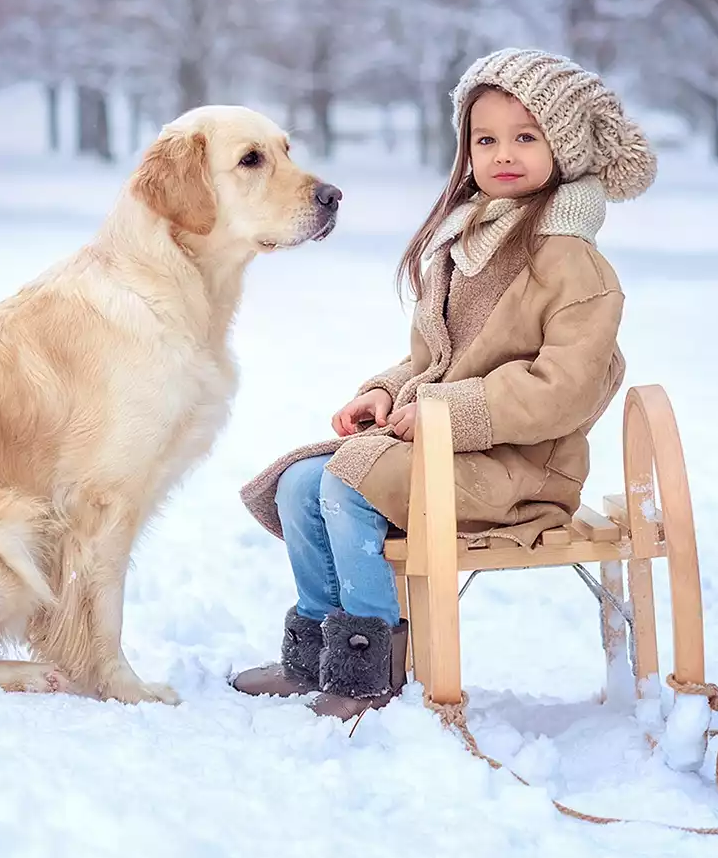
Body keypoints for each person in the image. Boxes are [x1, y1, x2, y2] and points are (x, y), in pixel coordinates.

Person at [230, 47, 659, 718]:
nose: (502, 154)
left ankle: (372, 660)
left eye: (526, 136)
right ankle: (319, 646)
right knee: (298, 485)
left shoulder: (573, 261)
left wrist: (448, 411)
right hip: (447, 450)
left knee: (348, 482)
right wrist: (383, 390)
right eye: (485, 139)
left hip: (520, 472)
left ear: (566, 147)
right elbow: (430, 360)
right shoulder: (468, 242)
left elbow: (563, 387)